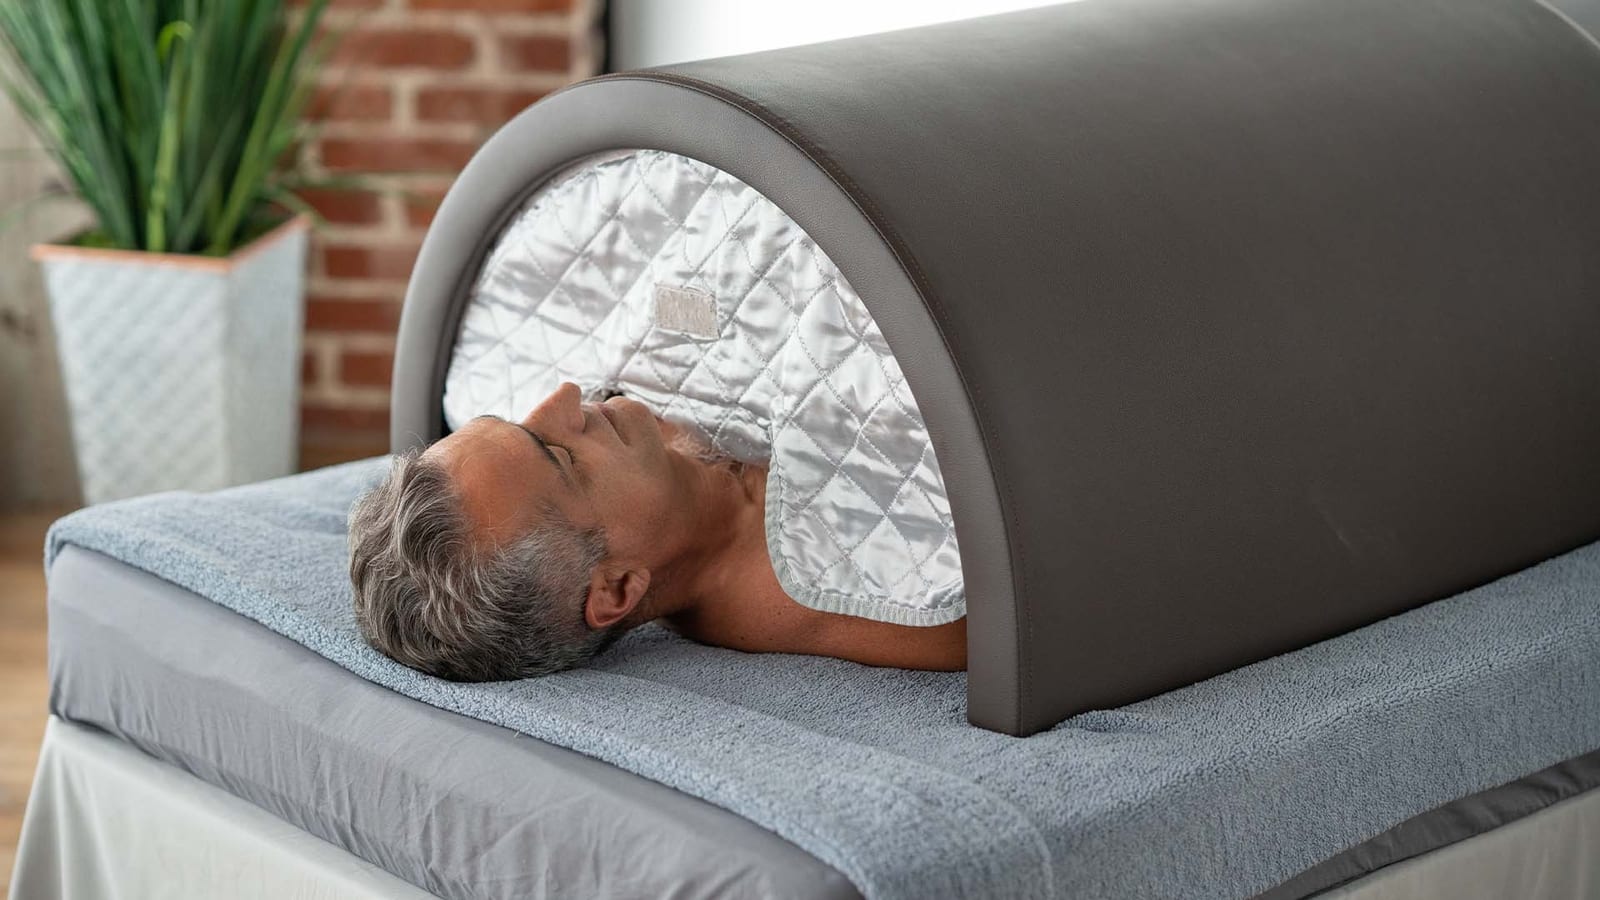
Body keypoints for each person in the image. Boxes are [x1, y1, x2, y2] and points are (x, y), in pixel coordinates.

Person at [347, 381, 966, 681]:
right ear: (616, 588)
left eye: (513, 419)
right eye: (558, 456)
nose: (564, 397)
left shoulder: (635, 439)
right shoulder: (866, 593)